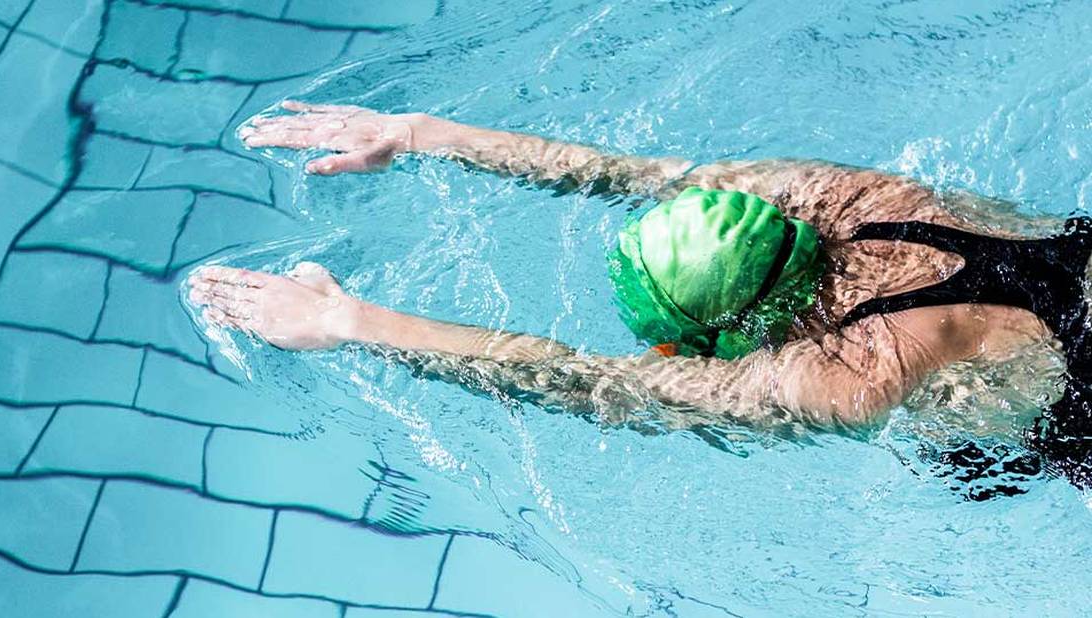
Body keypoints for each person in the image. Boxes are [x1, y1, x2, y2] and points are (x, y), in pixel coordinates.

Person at [188, 100, 1092, 499]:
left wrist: (351, 323)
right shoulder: (833, 196)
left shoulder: (842, 377)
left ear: (741, 331)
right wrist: (422, 134)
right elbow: (621, 175)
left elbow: (584, 382)